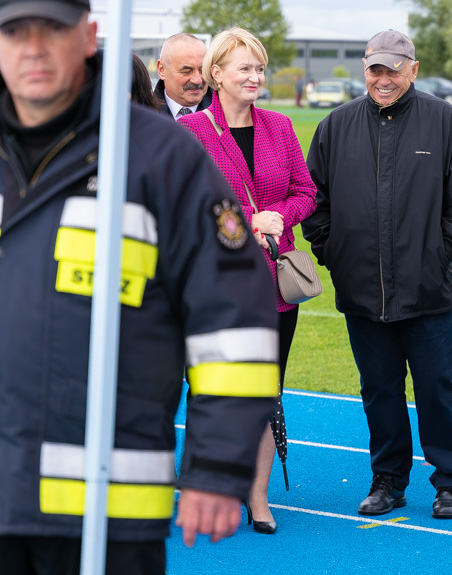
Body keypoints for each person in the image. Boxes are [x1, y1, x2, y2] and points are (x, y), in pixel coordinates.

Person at [0, 1, 281, 573]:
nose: (32, 48)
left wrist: (218, 465)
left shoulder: (164, 156)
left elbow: (236, 319)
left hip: (105, 512)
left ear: (88, 36)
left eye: (50, 30)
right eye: (13, 32)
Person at [302, 29, 452, 520]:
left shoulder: (443, 120)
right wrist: (335, 254)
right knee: (379, 391)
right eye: (375, 69)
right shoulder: (336, 125)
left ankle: (449, 480)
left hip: (426, 291)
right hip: (361, 291)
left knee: (437, 389)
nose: (383, 79)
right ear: (364, 69)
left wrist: (442, 250)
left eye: (392, 69)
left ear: (412, 67)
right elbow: (313, 200)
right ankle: (388, 478)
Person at [179, 28, 317, 535]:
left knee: (265, 391)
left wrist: (279, 215)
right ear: (217, 74)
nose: (255, 77)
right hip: (215, 286)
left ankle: (258, 497)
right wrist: (241, 226)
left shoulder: (281, 127)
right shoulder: (192, 131)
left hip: (277, 290)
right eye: (245, 68)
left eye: (259, 68)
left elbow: (307, 192)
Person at [153, 32, 213, 120]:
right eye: (187, 71)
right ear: (162, 70)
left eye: (203, 71)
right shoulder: (140, 116)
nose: (197, 80)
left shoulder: (228, 113)